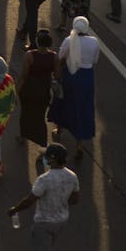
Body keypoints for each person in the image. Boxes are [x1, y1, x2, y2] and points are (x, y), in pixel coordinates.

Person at [8, 143, 80, 251]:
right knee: (44, 250)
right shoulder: (72, 176)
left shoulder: (45, 179)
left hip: (44, 223)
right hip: (61, 221)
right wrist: (61, 203)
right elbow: (75, 199)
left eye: (47, 157)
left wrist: (14, 209)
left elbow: (30, 200)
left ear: (52, 159)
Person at [52, 17, 98, 157]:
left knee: (64, 102)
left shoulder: (69, 40)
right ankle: (80, 143)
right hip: (86, 77)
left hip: (70, 76)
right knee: (84, 107)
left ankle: (59, 131)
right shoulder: (94, 42)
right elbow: (95, 60)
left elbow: (61, 57)